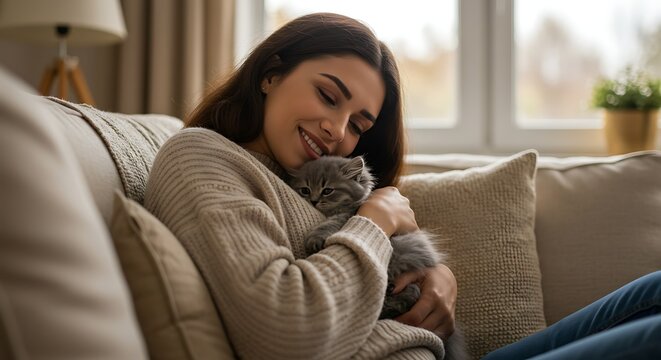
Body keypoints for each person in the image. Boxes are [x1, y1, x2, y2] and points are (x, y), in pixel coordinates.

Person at [144, 12, 661, 360]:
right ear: (271, 74)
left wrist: (438, 276)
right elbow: (286, 327)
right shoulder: (202, 156)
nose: (337, 131)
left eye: (357, 125)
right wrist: (376, 220)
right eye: (328, 96)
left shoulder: (300, 178)